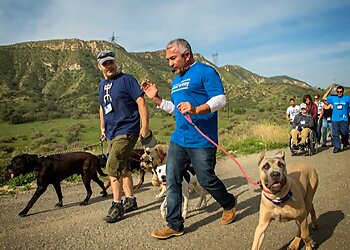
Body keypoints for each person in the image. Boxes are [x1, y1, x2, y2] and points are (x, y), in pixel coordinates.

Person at [142, 38, 237, 239]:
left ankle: (228, 203)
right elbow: (175, 109)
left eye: (173, 58)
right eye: (168, 60)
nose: (170, 64)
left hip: (202, 140)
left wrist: (196, 109)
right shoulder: (176, 81)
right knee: (172, 179)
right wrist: (157, 99)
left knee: (206, 179)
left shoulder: (205, 72)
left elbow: (221, 99)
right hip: (179, 139)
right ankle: (174, 224)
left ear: (187, 55)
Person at [97, 49, 150, 223]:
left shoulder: (127, 80)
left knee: (112, 166)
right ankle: (130, 200)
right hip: (112, 131)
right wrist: (102, 127)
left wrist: (145, 126)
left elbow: (140, 102)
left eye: (111, 62)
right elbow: (102, 107)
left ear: (115, 63)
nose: (109, 66)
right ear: (100, 67)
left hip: (127, 129)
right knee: (124, 166)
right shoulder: (101, 85)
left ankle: (117, 205)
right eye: (105, 64)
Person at [322, 83, 350, 153]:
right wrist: (330, 89)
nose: (339, 93)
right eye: (338, 92)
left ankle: (345, 142)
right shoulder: (333, 98)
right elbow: (323, 97)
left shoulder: (347, 98)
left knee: (345, 133)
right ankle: (337, 147)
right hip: (335, 119)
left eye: (340, 91)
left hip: (344, 119)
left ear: (343, 91)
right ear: (336, 92)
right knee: (335, 134)